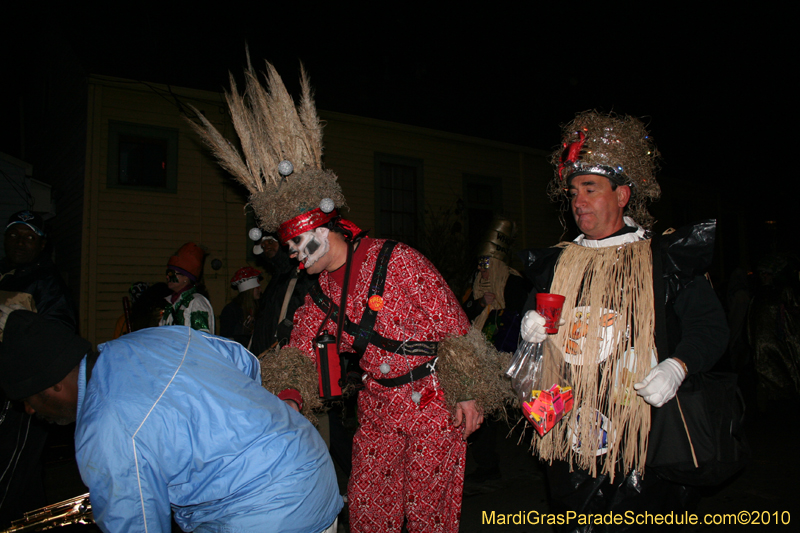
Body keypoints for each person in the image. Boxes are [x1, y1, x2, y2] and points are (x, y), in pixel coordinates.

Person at [188, 59, 496, 533]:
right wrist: (289, 395)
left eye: (299, 244)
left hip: (431, 402)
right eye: (289, 247)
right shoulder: (319, 293)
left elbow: (454, 325)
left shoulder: (398, 261)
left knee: (429, 518)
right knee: (369, 514)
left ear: (324, 228)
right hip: (375, 409)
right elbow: (299, 353)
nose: (295, 255)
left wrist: (470, 394)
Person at [518, 111, 728, 530]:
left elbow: (711, 328)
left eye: (590, 189)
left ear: (622, 194)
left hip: (643, 440)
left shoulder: (661, 258)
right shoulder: (559, 261)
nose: (578, 201)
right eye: (574, 191)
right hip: (568, 433)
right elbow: (537, 348)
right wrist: (530, 333)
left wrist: (678, 365)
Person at [0, 310, 342, 533]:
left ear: (53, 384)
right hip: (313, 468)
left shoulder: (104, 427)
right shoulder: (154, 338)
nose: (29, 411)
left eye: (27, 400)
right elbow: (244, 361)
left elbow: (138, 524)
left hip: (266, 516)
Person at [0, 210, 77, 528]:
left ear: (42, 244)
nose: (20, 242)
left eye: (29, 236)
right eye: (15, 234)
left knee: (10, 465)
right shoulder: (5, 274)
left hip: (25, 392)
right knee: (25, 477)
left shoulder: (46, 282)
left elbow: (59, 334)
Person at [159, 242, 214, 333]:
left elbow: (202, 339)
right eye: (167, 273)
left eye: (171, 273)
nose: (167, 277)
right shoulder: (170, 304)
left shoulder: (196, 302)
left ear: (186, 277)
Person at [220, 266, 262, 346]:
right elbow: (226, 337)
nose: (260, 290)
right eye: (257, 288)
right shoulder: (231, 310)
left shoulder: (259, 307)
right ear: (249, 291)